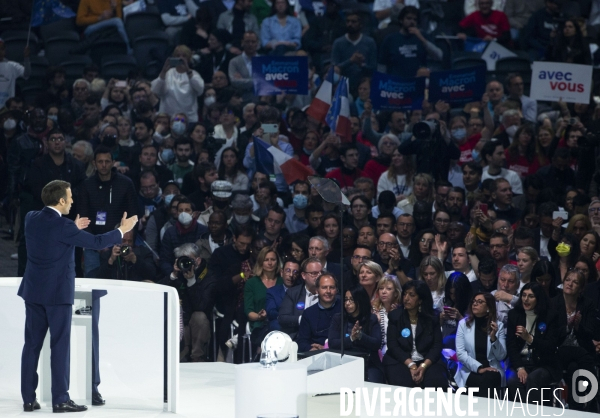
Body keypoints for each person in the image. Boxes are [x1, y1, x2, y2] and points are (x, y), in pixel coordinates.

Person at [19, 180, 138, 412]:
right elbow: (95, 242)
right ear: (61, 200)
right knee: (59, 345)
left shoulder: (31, 218)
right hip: (57, 294)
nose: (73, 201)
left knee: (31, 345)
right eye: (70, 197)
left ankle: (27, 399)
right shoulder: (64, 227)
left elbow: (51, 239)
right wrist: (122, 230)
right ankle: (60, 399)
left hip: (33, 291)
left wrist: (72, 228)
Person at [383, 280, 447, 388]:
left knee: (435, 383)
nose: (406, 298)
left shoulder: (432, 318)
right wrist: (411, 364)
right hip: (401, 360)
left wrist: (423, 366)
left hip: (427, 360)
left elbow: (436, 346)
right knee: (404, 385)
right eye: (405, 294)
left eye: (411, 295)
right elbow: (393, 345)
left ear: (420, 300)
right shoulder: (395, 316)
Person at [553, 269, 600, 411]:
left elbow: (591, 333)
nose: (570, 284)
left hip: (580, 350)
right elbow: (552, 335)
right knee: (584, 357)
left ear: (581, 288)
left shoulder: (587, 305)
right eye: (568, 280)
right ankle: (593, 397)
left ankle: (575, 408)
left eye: (575, 282)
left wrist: (578, 326)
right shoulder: (553, 303)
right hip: (558, 350)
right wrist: (568, 326)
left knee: (575, 369)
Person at [164, 243, 212, 362]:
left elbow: (201, 306)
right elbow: (162, 294)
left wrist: (191, 281)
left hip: (197, 323)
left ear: (198, 260)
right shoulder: (178, 274)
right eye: (182, 259)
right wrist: (173, 275)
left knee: (199, 317)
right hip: (180, 319)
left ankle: (197, 358)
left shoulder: (209, 277)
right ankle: (175, 359)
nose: (185, 263)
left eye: (188, 260)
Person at [455, 292, 507, 397]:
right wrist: (479, 368)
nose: (475, 304)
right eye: (474, 301)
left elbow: (501, 356)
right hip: (469, 369)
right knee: (483, 381)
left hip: (492, 369)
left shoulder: (498, 326)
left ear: (488, 307)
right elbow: (460, 353)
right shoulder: (463, 325)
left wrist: (493, 338)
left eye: (480, 302)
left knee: (490, 378)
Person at [328, 286, 384, 383]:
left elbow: (376, 343)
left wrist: (361, 336)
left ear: (360, 300)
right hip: (344, 362)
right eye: (346, 300)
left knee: (373, 383)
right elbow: (332, 343)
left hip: (368, 362)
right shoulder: (338, 318)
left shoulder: (371, 319)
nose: (347, 303)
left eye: (351, 300)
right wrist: (351, 338)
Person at [245, 247, 284, 356]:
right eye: (266, 260)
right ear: (261, 262)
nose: (270, 263)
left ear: (277, 262)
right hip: (260, 323)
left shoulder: (283, 281)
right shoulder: (252, 283)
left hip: (280, 322)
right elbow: (249, 311)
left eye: (273, 259)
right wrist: (259, 316)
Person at [152, 46, 205, 123]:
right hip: (168, 118)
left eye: (184, 56)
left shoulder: (194, 74)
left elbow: (200, 90)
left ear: (189, 58)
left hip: (189, 119)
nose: (181, 58)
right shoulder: (168, 73)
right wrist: (163, 72)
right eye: (178, 56)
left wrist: (188, 71)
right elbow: (156, 90)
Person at [278, 257, 322, 339]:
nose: (319, 276)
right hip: (299, 337)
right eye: (314, 273)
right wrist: (302, 319)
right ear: (304, 275)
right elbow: (283, 318)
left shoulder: (328, 293)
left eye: (321, 273)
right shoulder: (293, 293)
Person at [296, 272, 340, 351]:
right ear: (317, 290)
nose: (328, 291)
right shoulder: (308, 313)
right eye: (324, 287)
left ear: (336, 290)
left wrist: (327, 348)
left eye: (332, 287)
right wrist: (311, 349)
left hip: (340, 353)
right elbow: (302, 341)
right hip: (317, 356)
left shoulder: (343, 309)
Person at [265, 259, 300, 331]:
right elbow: (271, 312)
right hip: (280, 326)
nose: (291, 275)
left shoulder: (302, 291)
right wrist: (287, 319)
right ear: (281, 272)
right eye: (288, 271)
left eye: (295, 272)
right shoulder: (272, 292)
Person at [372, 275, 402, 358]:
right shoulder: (374, 311)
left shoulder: (402, 311)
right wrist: (375, 321)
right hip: (379, 352)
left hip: (398, 351)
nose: (383, 292)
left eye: (388, 289)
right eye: (381, 288)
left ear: (396, 293)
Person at [0, 38, 30, 108]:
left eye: (2, 49)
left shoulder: (12, 65)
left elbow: (26, 74)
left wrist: (26, 58)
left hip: (8, 109)